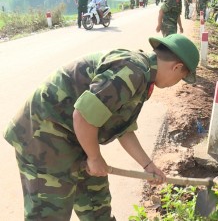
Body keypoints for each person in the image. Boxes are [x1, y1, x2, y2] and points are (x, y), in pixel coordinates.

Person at [3, 34, 200, 220]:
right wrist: (94, 157)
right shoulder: (132, 71)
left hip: (76, 137)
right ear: (177, 67)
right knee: (49, 212)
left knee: (96, 202)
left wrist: (148, 166)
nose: (176, 83)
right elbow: (82, 116)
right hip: (44, 133)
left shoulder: (144, 77)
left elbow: (124, 128)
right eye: (181, 78)